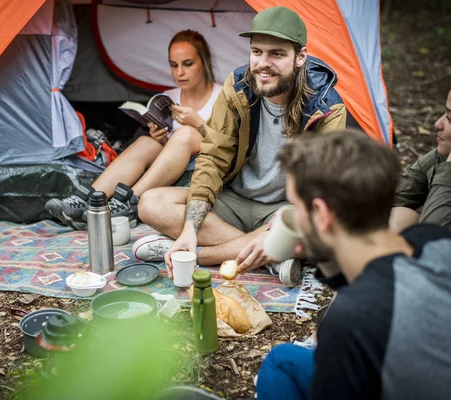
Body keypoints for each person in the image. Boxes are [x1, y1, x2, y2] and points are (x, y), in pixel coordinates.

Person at [133, 6, 346, 287]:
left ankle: (200, 254)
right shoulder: (238, 88)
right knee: (151, 203)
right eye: (257, 52)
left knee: (323, 232)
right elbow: (212, 158)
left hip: (283, 210)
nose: (263, 63)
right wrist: (188, 228)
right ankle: (271, 256)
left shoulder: (326, 108)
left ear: (300, 57)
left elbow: (321, 191)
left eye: (277, 54)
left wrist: (281, 227)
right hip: (234, 201)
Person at [256, 130, 451, 400]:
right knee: (283, 359)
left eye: (296, 206)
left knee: (282, 361)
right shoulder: (431, 240)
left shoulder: (352, 321)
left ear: (322, 214)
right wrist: (321, 252)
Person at [45, 30, 223, 229]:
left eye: (188, 64)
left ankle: (130, 200)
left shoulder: (223, 95)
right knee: (147, 141)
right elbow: (171, 150)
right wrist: (161, 137)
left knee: (187, 133)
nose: (179, 72)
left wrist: (197, 122)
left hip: (205, 166)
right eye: (174, 65)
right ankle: (88, 199)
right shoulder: (169, 96)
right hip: (172, 165)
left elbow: (230, 144)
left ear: (204, 62)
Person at [389, 88, 451, 231]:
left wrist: (448, 171)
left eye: (449, 118)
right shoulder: (443, 155)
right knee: (400, 217)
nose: (437, 124)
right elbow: (395, 193)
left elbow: (435, 239)